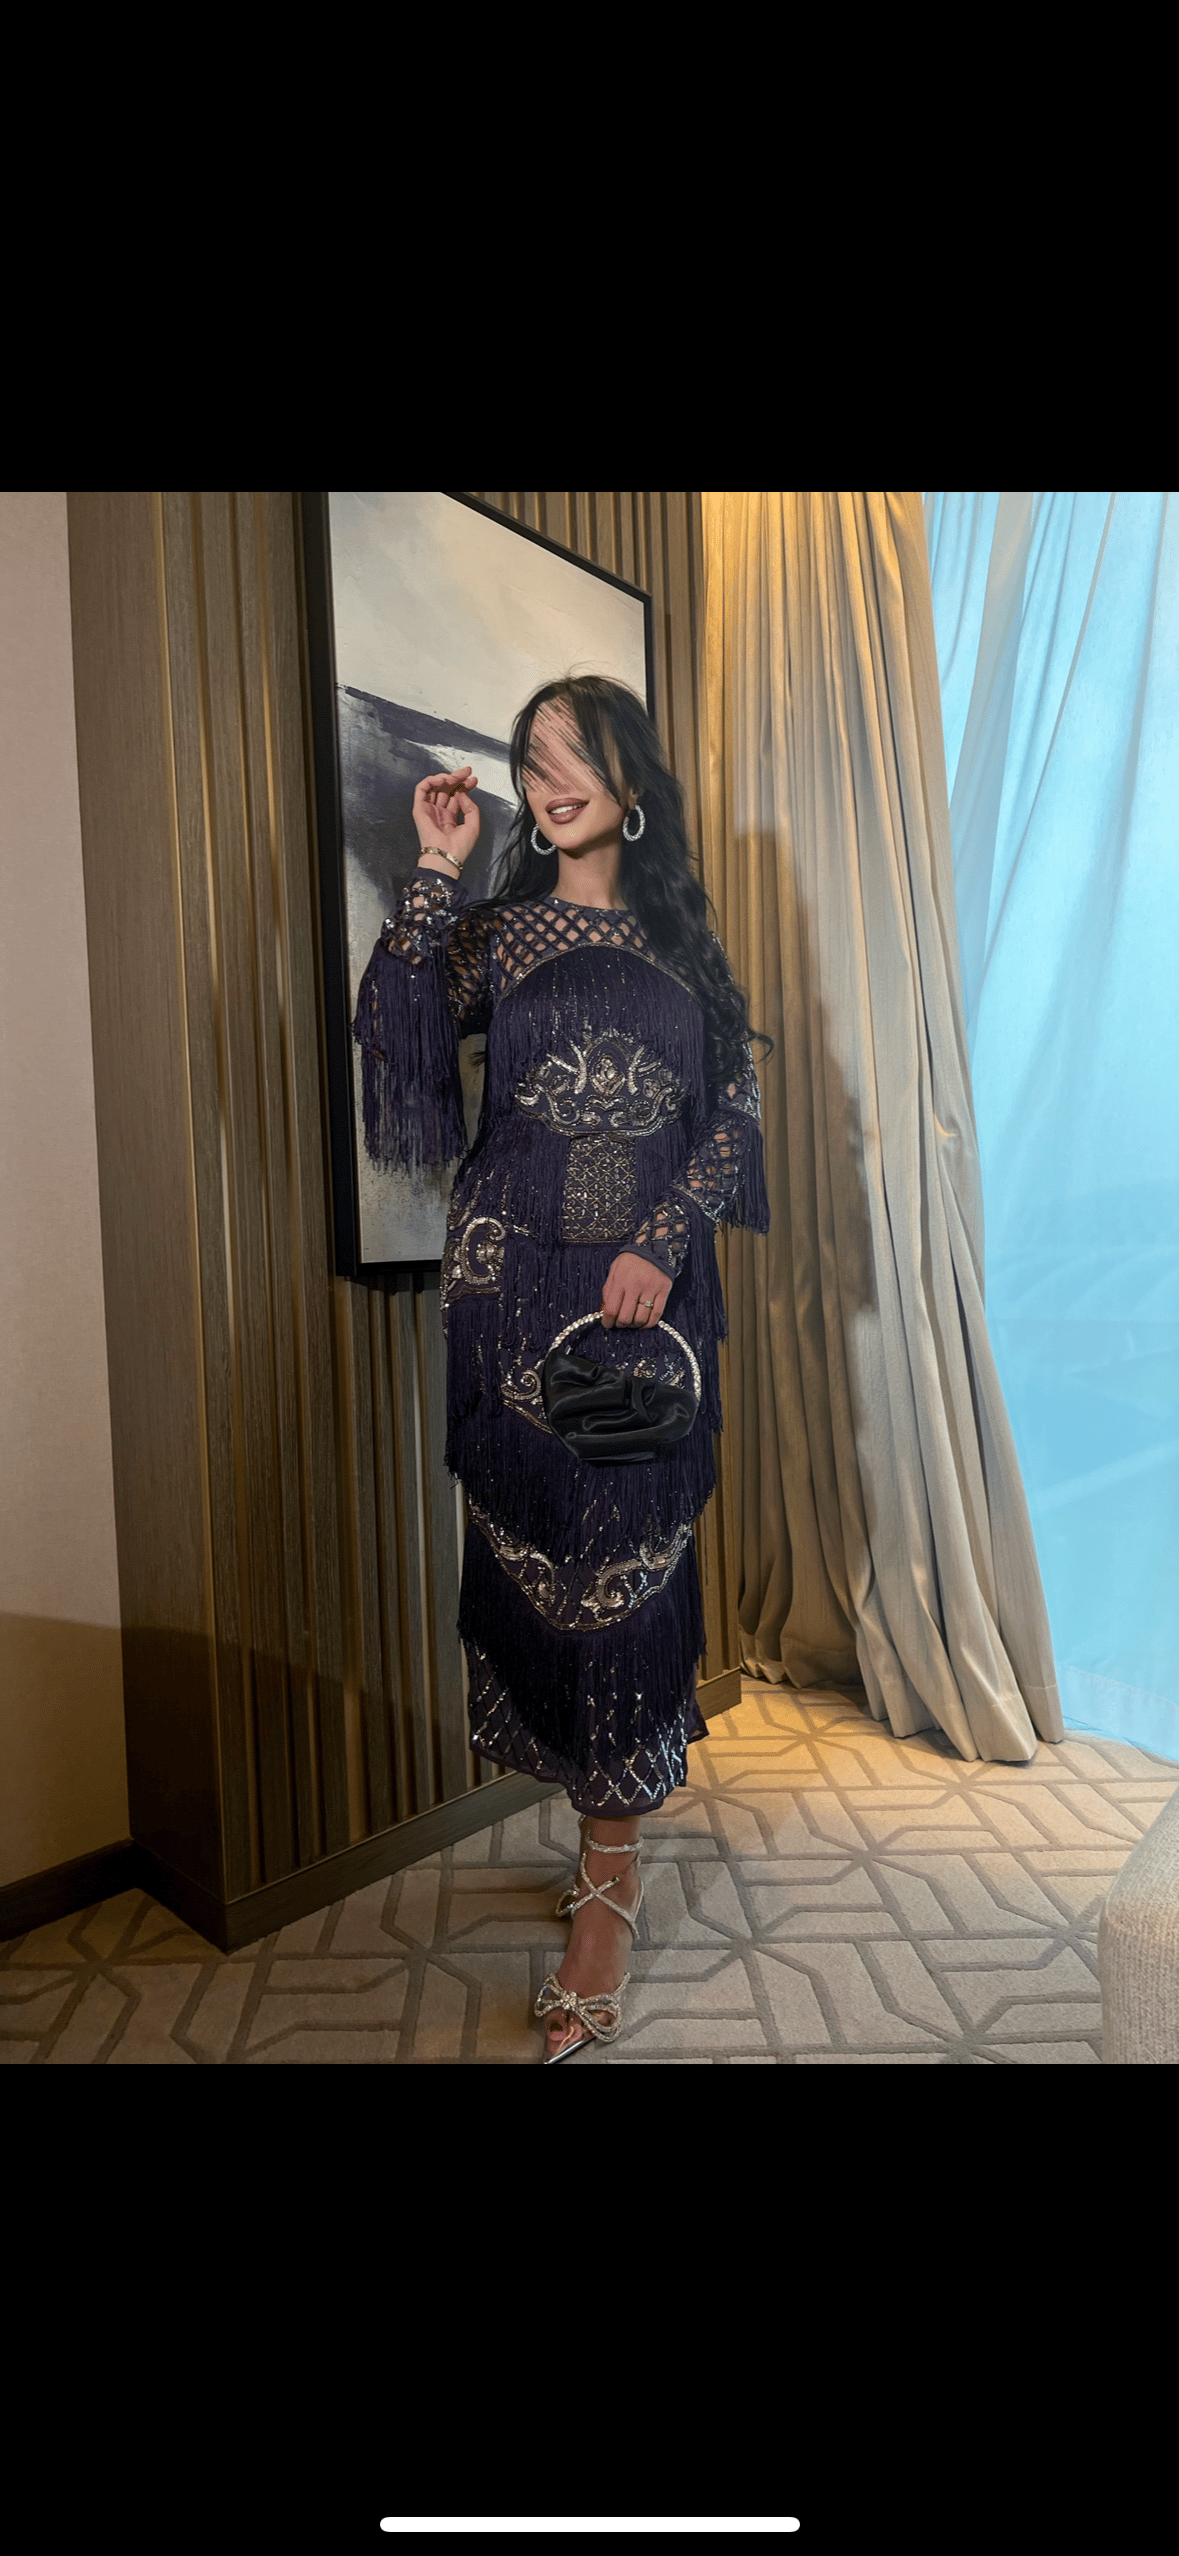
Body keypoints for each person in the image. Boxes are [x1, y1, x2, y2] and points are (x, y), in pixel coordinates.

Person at [352, 675, 769, 2060]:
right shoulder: (503, 931)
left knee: (625, 1582)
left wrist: (661, 1236)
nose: (549, 779)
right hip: (509, 1295)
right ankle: (596, 1845)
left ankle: (608, 1886)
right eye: (533, 760)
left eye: (574, 754)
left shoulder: (684, 944)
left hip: (642, 1306)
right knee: (543, 1575)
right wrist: (434, 871)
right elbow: (400, 1036)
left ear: (626, 776)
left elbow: (734, 1111)